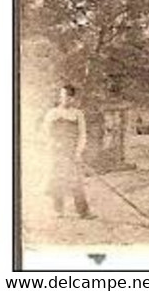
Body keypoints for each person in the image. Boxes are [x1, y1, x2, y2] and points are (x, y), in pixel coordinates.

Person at [41, 84, 92, 220]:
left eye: (70, 97)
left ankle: (83, 211)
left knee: (76, 181)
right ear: (60, 97)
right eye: (63, 96)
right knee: (56, 180)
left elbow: (82, 135)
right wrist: (52, 145)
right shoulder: (52, 113)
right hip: (56, 152)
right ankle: (58, 210)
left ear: (73, 99)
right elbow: (45, 133)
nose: (66, 99)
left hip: (71, 153)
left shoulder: (78, 114)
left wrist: (78, 152)